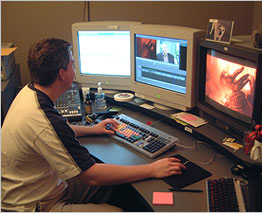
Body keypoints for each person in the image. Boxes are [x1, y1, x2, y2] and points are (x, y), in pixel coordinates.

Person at [1, 38, 187, 212]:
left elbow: (53, 133)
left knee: (121, 189)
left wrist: (93, 130)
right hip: (37, 205)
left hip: (46, 186)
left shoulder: (30, 91)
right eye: (72, 64)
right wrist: (152, 169)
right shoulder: (42, 117)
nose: (74, 67)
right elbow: (90, 175)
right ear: (62, 73)